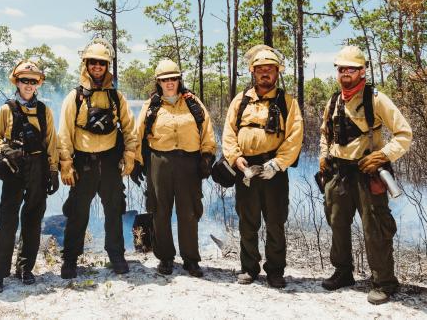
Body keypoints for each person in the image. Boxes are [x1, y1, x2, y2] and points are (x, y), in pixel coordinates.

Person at [318, 45, 412, 305]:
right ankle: (342, 272)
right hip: (339, 173)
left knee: (375, 228)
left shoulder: (376, 99)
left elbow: (404, 134)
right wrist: (324, 158)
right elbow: (325, 134)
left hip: (366, 174)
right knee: (337, 223)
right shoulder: (334, 100)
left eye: (352, 69)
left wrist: (383, 156)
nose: (346, 73)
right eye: (341, 69)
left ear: (362, 71)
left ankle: (384, 282)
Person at [221, 45, 303, 288]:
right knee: (248, 221)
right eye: (260, 70)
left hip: (274, 171)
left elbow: (295, 137)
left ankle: (275, 271)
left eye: (270, 69)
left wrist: (277, 164)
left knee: (275, 221)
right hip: (245, 169)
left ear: (277, 73)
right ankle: (249, 268)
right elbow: (228, 133)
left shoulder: (288, 103)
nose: (265, 73)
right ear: (253, 73)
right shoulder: (241, 100)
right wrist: (236, 159)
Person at [57, 39, 137, 279]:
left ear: (107, 66)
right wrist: (66, 164)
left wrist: (130, 154)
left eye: (102, 63)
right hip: (84, 162)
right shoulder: (75, 97)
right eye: (93, 62)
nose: (97, 66)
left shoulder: (116, 96)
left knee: (114, 209)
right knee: (78, 212)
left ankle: (116, 255)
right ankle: (70, 259)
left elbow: (130, 127)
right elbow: (64, 132)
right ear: (86, 65)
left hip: (111, 162)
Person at [132, 59, 216, 277]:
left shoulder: (193, 103)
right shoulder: (152, 105)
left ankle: (191, 260)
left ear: (179, 80)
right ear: (158, 82)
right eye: (164, 80)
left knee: (188, 212)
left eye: (173, 79)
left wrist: (207, 155)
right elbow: (137, 134)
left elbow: (206, 130)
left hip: (188, 162)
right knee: (160, 211)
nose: (169, 83)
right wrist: (136, 162)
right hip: (160, 162)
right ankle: (165, 258)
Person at [0, 60, 59, 294]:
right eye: (24, 80)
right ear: (16, 82)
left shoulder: (44, 110)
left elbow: (52, 143)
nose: (28, 84)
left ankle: (25, 268)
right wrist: (6, 151)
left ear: (38, 84)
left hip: (38, 167)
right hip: (14, 168)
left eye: (33, 81)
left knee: (33, 219)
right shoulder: (6, 109)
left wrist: (53, 170)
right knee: (7, 220)